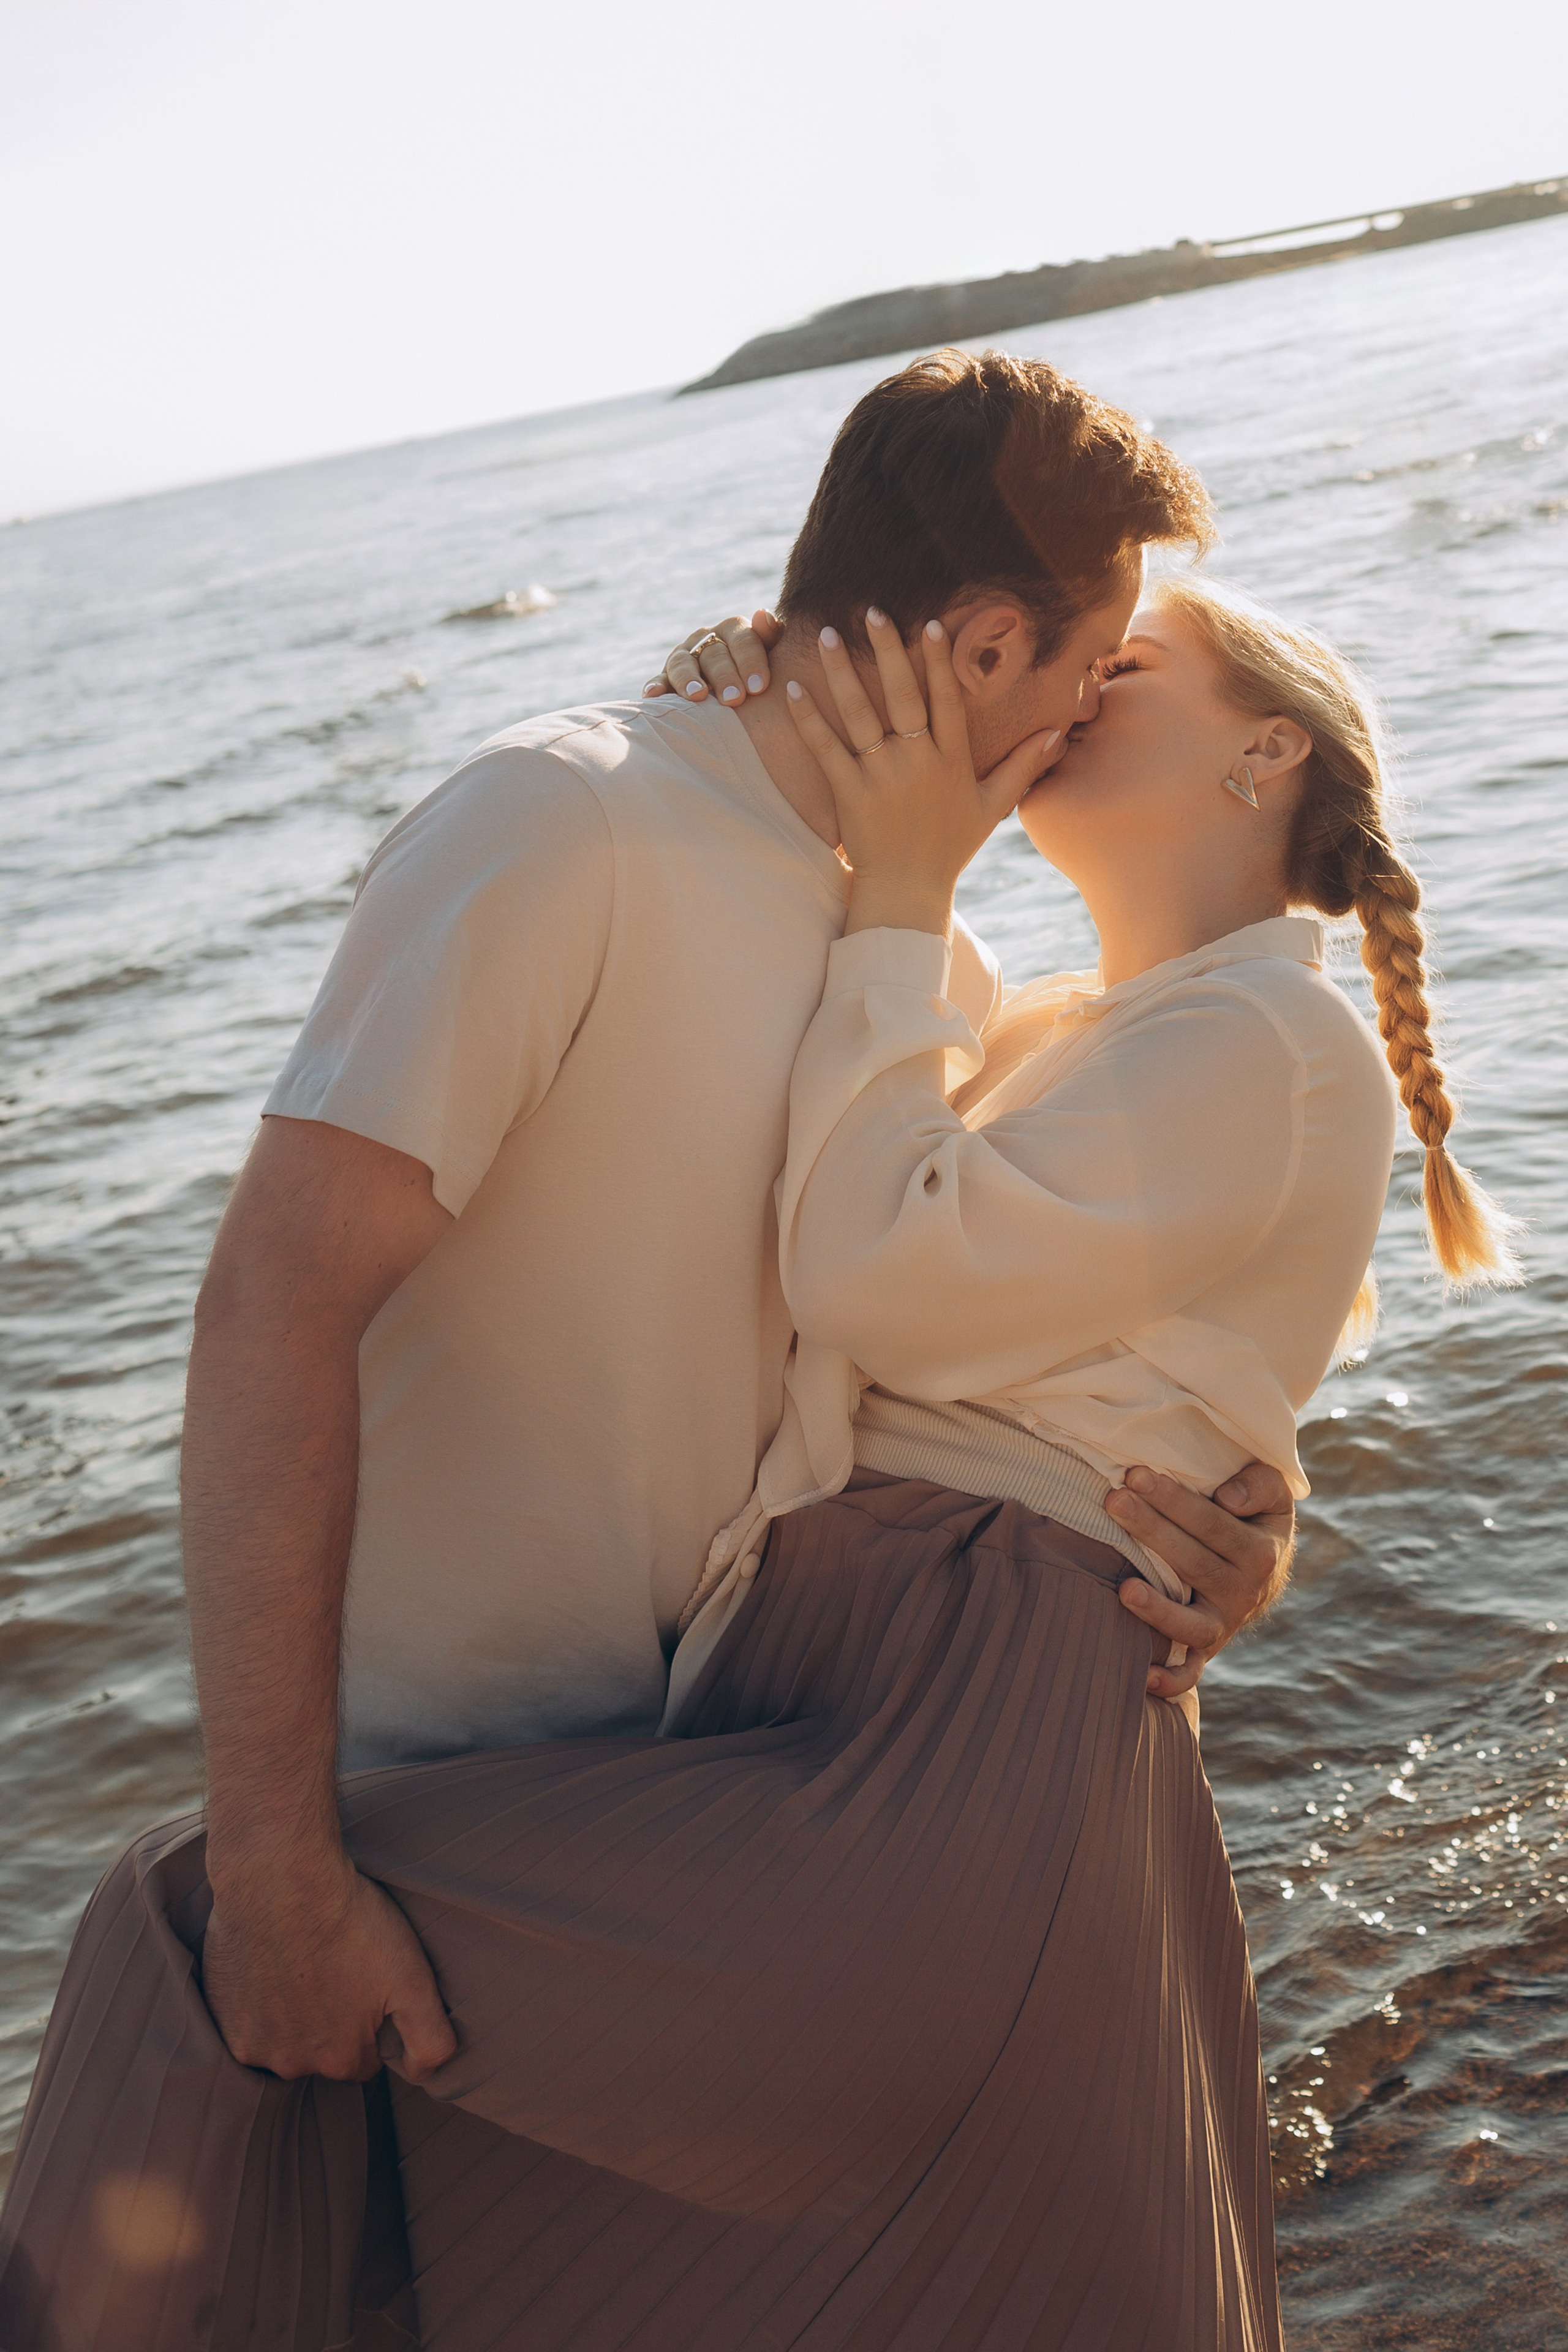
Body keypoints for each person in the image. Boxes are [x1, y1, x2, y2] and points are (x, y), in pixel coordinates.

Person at [0, 354, 1302, 2351]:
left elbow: (978, 1337)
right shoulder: (565, 827)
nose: (1088, 711)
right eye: (1088, 662)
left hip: (729, 1806)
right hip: (438, 1817)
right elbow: (274, 1300)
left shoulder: (925, 953)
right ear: (975, 640)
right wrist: (271, 1855)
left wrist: (1243, 1517)